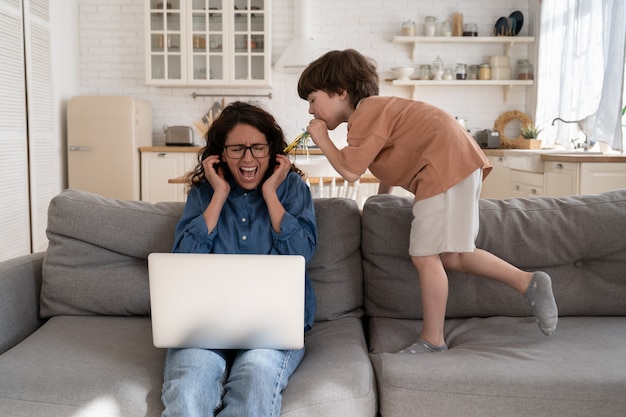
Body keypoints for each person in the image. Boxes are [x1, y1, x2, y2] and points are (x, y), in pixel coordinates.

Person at [297, 49, 557, 354]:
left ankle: (433, 339)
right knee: (453, 255)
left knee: (424, 256)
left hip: (443, 167)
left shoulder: (365, 114)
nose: (311, 111)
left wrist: (322, 139)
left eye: (313, 99)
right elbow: (392, 160)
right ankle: (528, 282)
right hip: (456, 165)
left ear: (340, 92)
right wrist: (379, 203)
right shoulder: (377, 113)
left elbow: (351, 171)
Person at [161, 101, 317, 416]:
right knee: (189, 386)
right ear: (221, 153)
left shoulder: (293, 190)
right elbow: (183, 261)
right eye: (237, 149)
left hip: (274, 327)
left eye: (257, 148)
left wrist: (271, 193)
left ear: (272, 151)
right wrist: (218, 194)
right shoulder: (205, 193)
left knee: (255, 383)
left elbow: (300, 254)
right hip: (204, 323)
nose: (248, 158)